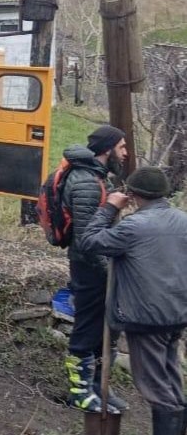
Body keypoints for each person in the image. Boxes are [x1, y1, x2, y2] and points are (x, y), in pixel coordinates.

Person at [76, 167, 187, 435]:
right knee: (171, 381)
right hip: (177, 314)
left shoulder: (133, 227)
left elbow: (88, 241)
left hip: (145, 316)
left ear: (134, 195)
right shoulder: (183, 220)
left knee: (155, 388)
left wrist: (110, 209)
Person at [61, 125, 129, 414]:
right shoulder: (87, 182)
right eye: (122, 147)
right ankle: (79, 392)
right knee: (86, 328)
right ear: (107, 149)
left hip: (98, 266)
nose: (125, 154)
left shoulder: (96, 177)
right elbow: (88, 239)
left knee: (101, 328)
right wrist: (108, 271)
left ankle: (97, 386)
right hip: (89, 267)